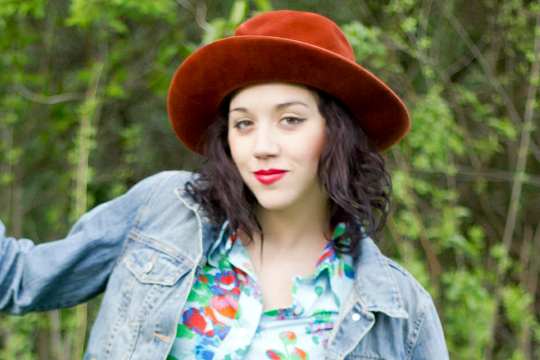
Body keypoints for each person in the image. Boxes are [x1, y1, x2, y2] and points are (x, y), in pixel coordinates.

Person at [0, 10, 449, 360]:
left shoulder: (399, 311)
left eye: (290, 120)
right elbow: (18, 280)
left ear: (336, 132)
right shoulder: (163, 211)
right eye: (244, 124)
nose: (263, 146)